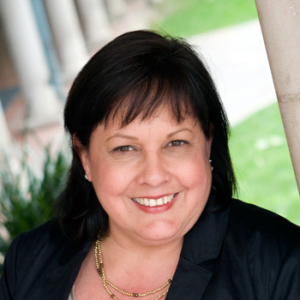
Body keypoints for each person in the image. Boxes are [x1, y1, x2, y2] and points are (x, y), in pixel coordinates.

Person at [0, 30, 299, 300]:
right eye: (125, 148)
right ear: (85, 158)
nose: (154, 176)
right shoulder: (26, 261)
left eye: (176, 143)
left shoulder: (280, 263)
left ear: (207, 142)